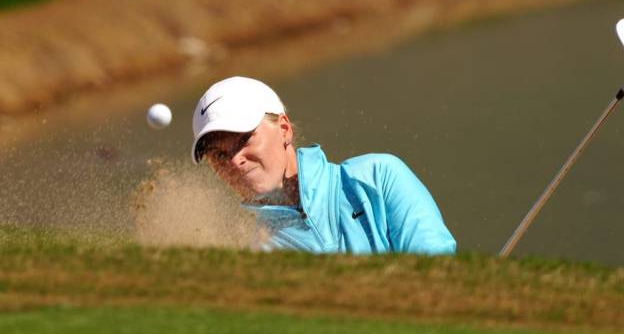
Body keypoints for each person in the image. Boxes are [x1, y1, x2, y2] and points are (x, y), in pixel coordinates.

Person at [191, 76, 456, 255]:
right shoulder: (257, 259)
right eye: (220, 156)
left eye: (245, 139)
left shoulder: (377, 178)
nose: (235, 160)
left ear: (284, 129)